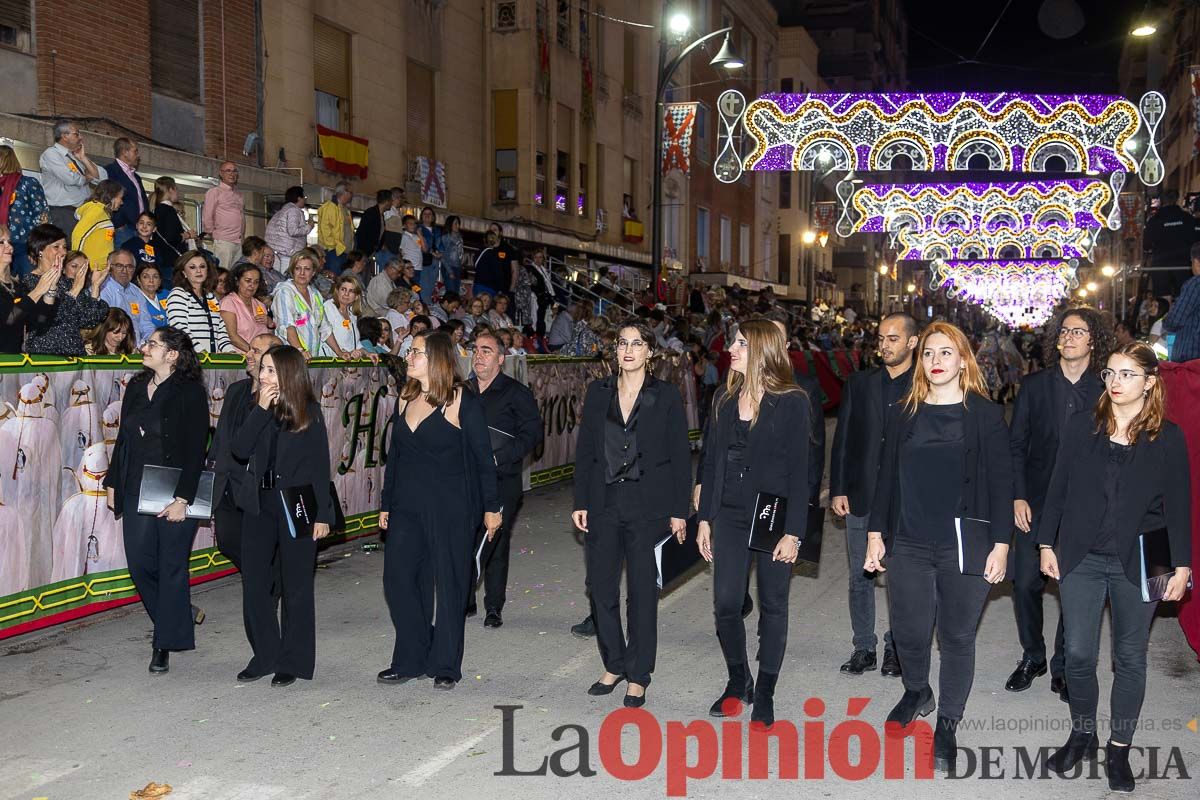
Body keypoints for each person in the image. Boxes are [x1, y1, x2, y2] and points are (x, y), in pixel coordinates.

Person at [1037, 342, 1192, 792]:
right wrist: (1047, 542)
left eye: (1128, 374)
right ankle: (1083, 732)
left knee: (1130, 657)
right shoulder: (1082, 426)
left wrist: (1181, 567)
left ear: (1149, 382)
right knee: (1079, 654)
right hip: (1082, 554)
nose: (1117, 382)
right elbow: (1058, 488)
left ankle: (1119, 747)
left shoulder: (1169, 436)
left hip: (1149, 553)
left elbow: (1179, 507)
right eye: (1111, 373)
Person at [865, 321, 1013, 773]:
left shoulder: (984, 414)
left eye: (946, 353)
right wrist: (875, 533)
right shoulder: (904, 410)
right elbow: (886, 476)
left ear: (963, 358)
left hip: (965, 546)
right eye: (929, 353)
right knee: (908, 633)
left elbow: (1002, 483)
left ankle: (948, 721)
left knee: (956, 636)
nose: (935, 362)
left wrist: (1002, 544)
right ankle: (916, 690)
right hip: (909, 539)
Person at [695, 319, 813, 727]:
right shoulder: (722, 399)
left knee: (774, 603)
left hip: (773, 514)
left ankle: (765, 691)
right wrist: (705, 518)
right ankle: (737, 679)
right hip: (727, 513)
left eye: (741, 343)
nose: (732, 348)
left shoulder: (793, 401)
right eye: (733, 341)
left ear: (761, 349)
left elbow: (802, 473)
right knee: (726, 603)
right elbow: (710, 462)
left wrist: (795, 532)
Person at [571, 318, 690, 708]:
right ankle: (614, 662)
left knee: (641, 594)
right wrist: (581, 501)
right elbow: (586, 451)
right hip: (604, 504)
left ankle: (638, 674)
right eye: (622, 343)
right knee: (601, 589)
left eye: (637, 344)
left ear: (649, 352)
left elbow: (679, 455)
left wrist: (679, 511)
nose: (628, 350)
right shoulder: (597, 392)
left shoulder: (667, 395)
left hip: (649, 507)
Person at [378, 330, 502, 689]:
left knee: (449, 585)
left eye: (416, 352)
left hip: (451, 507)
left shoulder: (462, 401)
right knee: (397, 580)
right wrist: (386, 503)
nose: (409, 357)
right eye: (410, 351)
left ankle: (446, 663)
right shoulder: (405, 397)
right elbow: (395, 458)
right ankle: (411, 657)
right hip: (406, 507)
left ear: (436, 359)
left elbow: (483, 461)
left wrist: (491, 508)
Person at [1007, 306, 1110, 699]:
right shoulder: (1034, 386)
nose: (1069, 338)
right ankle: (1033, 655)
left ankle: (1064, 665)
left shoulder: (1105, 389)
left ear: (1093, 341)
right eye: (1064, 332)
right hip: (1034, 501)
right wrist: (1017, 495)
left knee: (1072, 587)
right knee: (1025, 585)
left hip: (1081, 506)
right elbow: (1017, 445)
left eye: (1078, 332)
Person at [103, 326, 209, 674]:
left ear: (173, 354)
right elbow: (124, 438)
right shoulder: (135, 386)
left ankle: (163, 643)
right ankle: (177, 613)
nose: (145, 348)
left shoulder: (189, 391)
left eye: (153, 344)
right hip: (135, 485)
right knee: (139, 563)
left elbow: (197, 448)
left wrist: (183, 498)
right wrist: (112, 481)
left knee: (171, 565)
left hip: (175, 488)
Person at [231, 345, 335, 686]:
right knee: (256, 584)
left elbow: (321, 467)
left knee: (297, 585)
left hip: (298, 502)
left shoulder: (309, 411)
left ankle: (293, 660)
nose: (263, 376)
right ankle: (265, 655)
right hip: (259, 503)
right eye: (262, 369)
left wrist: (324, 514)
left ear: (289, 373)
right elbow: (239, 449)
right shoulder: (254, 407)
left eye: (271, 370)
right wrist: (261, 409)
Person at [829, 313, 917, 677]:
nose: (884, 345)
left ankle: (896, 647)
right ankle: (863, 646)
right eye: (881, 338)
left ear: (912, 343)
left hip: (905, 498)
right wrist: (837, 489)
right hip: (862, 493)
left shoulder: (925, 385)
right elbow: (844, 439)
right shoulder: (860, 383)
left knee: (899, 577)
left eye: (893, 339)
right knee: (859, 576)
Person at [464, 330, 544, 626]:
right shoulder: (464, 390)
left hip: (502, 479)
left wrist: (499, 456)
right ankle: (466, 599)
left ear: (500, 358)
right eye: (475, 350)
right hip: (467, 480)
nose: (479, 356)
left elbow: (533, 434)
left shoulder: (515, 392)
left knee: (494, 540)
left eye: (486, 351)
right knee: (465, 539)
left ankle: (493, 606)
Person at [209, 332, 283, 574]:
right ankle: (267, 579)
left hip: (256, 488)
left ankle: (265, 588)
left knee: (258, 549)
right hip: (226, 483)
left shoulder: (279, 399)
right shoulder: (235, 389)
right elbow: (221, 436)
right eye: (249, 349)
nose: (248, 355)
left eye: (256, 351)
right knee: (228, 543)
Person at [22, 229, 110, 355]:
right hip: (46, 355)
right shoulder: (30, 282)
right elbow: (47, 319)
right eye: (56, 247)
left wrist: (95, 287)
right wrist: (74, 292)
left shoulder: (67, 282)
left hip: (75, 356)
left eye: (64, 247)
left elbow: (90, 319)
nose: (63, 252)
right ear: (39, 250)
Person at [39, 120, 107, 239]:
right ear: (64, 136)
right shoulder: (51, 154)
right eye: (77, 134)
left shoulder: (75, 156)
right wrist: (86, 178)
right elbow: (70, 179)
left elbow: (101, 178)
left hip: (81, 213)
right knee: (66, 249)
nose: (81, 137)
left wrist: (84, 158)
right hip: (62, 212)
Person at [272, 247, 338, 359]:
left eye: (307, 269)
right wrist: (300, 350)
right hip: (291, 357)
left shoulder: (316, 294)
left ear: (313, 273)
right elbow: (288, 326)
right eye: (298, 268)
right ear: (292, 271)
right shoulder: (284, 292)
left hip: (312, 357)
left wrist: (339, 353)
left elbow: (325, 327)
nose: (302, 273)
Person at [0, 223, 57, 352]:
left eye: (9, 241)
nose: (9, 246)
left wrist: (50, 290)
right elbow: (10, 319)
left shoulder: (18, 287)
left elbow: (39, 323)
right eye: (1, 242)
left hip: (15, 360)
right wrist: (37, 291)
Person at [164, 251, 235, 353]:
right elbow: (179, 327)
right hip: (190, 357)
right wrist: (199, 350)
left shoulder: (210, 296)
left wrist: (229, 351)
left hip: (212, 358)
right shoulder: (178, 294)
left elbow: (220, 329)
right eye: (192, 267)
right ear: (184, 272)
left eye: (202, 266)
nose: (199, 271)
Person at [0, 144, 49, 277]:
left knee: (28, 287)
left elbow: (42, 216)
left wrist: (37, 248)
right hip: (1, 246)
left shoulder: (28, 183)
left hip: (24, 246)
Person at [1141, 188, 1200, 297]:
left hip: (1160, 265)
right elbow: (1194, 239)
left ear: (1162, 200)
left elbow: (1146, 244)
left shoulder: (1154, 220)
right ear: (1177, 199)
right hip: (1183, 265)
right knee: (1183, 295)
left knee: (1162, 299)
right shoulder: (1187, 218)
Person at [98, 249, 153, 346]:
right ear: (110, 267)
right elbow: (104, 326)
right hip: (112, 347)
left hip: (137, 347)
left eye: (129, 267)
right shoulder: (102, 289)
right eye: (119, 266)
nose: (124, 270)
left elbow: (146, 324)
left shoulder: (136, 292)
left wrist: (149, 342)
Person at [219, 262, 275, 353]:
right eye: (248, 280)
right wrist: (254, 352)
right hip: (237, 358)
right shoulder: (228, 302)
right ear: (237, 281)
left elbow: (268, 336)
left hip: (259, 358)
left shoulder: (260, 305)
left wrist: (270, 324)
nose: (252, 285)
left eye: (256, 282)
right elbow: (232, 336)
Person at [72, 180, 124, 271]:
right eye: (120, 198)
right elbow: (78, 235)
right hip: (91, 269)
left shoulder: (102, 213)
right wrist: (76, 263)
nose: (122, 202)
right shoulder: (96, 210)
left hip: (97, 269)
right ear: (112, 196)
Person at [1161, 240, 1200, 363]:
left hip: (1192, 359)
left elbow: (1174, 321)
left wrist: (1166, 319)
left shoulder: (1195, 284)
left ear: (1196, 262)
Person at [106, 138, 149, 248]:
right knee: (122, 261)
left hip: (139, 229)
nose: (138, 155)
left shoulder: (136, 177)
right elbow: (109, 197)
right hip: (123, 229)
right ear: (125, 152)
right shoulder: (110, 171)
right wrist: (119, 224)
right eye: (135, 151)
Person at [203, 162, 245, 268]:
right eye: (228, 171)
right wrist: (212, 234)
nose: (232, 174)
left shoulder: (239, 194)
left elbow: (241, 216)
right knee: (222, 273)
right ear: (221, 174)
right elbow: (207, 215)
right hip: (223, 240)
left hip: (238, 241)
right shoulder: (214, 192)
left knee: (235, 275)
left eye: (234, 171)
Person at [152, 176, 196, 279]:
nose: (177, 193)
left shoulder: (157, 210)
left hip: (163, 258)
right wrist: (188, 235)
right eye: (176, 189)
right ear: (171, 189)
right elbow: (171, 237)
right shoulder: (168, 210)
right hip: (172, 259)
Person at [265, 186, 311, 276]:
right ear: (299, 198)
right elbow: (293, 231)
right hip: (286, 252)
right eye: (304, 198)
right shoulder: (294, 210)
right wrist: (309, 226)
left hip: (275, 251)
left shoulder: (281, 211)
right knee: (284, 278)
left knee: (276, 277)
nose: (305, 200)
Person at [321, 274, 367, 359]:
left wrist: (366, 353)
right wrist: (341, 352)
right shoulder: (328, 307)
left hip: (348, 363)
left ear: (356, 296)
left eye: (351, 291)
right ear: (337, 291)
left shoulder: (352, 314)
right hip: (331, 362)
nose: (346, 294)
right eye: (343, 289)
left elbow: (355, 343)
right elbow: (325, 334)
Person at [317, 182, 354, 274]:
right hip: (333, 252)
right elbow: (325, 229)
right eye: (351, 192)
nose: (352, 195)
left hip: (343, 251)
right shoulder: (330, 207)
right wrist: (334, 247)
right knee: (333, 278)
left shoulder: (344, 209)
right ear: (344, 192)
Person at [355, 189, 391, 270]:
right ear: (387, 201)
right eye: (391, 201)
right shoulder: (371, 213)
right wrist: (362, 253)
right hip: (364, 252)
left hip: (371, 253)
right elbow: (361, 233)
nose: (392, 203)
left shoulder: (381, 215)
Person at [133, 262, 169, 333]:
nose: (151, 281)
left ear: (160, 281)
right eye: (146, 277)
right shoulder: (134, 300)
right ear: (138, 279)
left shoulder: (168, 295)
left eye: (155, 277)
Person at [472, 229, 510, 297]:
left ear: (484, 239)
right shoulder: (494, 255)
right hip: (490, 288)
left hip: (478, 284)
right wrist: (501, 289)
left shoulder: (479, 252)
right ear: (495, 240)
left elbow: (475, 265)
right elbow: (498, 273)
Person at [418, 206, 441, 299]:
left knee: (431, 285)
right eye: (425, 214)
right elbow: (418, 242)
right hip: (423, 260)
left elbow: (440, 245)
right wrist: (431, 251)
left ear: (433, 217)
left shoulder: (437, 230)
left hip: (435, 261)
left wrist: (440, 252)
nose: (427, 216)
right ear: (421, 216)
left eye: (429, 214)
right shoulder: (418, 229)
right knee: (424, 285)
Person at [440, 215, 465, 295]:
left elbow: (460, 254)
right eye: (455, 223)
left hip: (457, 267)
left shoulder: (460, 238)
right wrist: (449, 271)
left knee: (456, 292)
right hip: (449, 267)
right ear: (450, 224)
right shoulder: (445, 238)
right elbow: (442, 256)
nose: (457, 226)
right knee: (451, 293)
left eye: (458, 224)